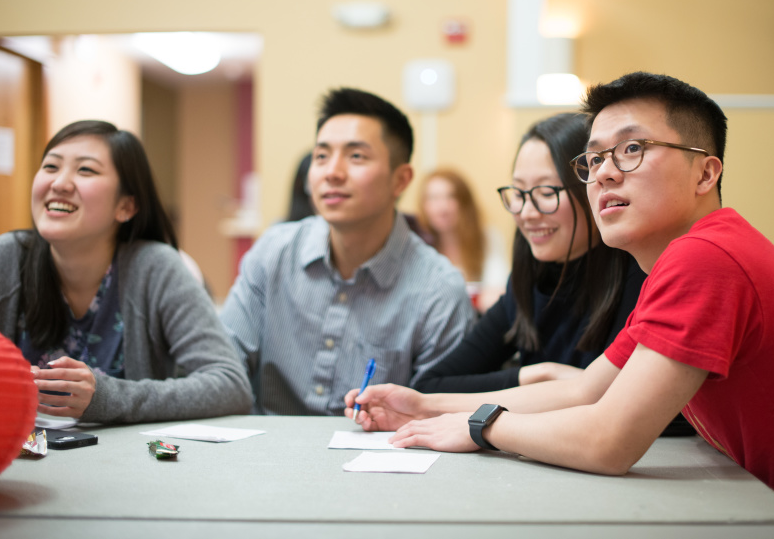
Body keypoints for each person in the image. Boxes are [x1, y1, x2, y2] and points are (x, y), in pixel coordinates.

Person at [346, 72, 774, 539]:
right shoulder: (676, 264)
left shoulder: (708, 258)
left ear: (706, 173)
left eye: (632, 149)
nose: (603, 173)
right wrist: (427, 406)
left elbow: (608, 441)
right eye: (595, 157)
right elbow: (585, 389)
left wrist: (480, 424)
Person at [221, 87, 474, 416]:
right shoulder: (272, 253)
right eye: (321, 156)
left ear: (401, 180)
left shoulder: (438, 291)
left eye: (356, 156)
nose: (332, 173)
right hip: (262, 457)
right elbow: (221, 369)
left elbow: (437, 418)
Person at [0, 120, 252, 424]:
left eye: (85, 170)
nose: (59, 183)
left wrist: (106, 397)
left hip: (125, 465)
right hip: (15, 461)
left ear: (126, 206)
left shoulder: (155, 268)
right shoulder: (5, 258)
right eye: (50, 166)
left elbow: (231, 386)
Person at [413, 114, 645, 393]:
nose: (526, 213)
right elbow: (432, 384)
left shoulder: (640, 276)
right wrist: (538, 375)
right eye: (519, 193)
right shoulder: (528, 281)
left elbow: (625, 401)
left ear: (594, 187)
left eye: (546, 191)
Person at [418, 168, 509, 313]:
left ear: (464, 202)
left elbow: (497, 290)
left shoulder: (487, 238)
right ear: (424, 205)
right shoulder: (418, 244)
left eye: (450, 197)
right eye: (433, 198)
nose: (442, 207)